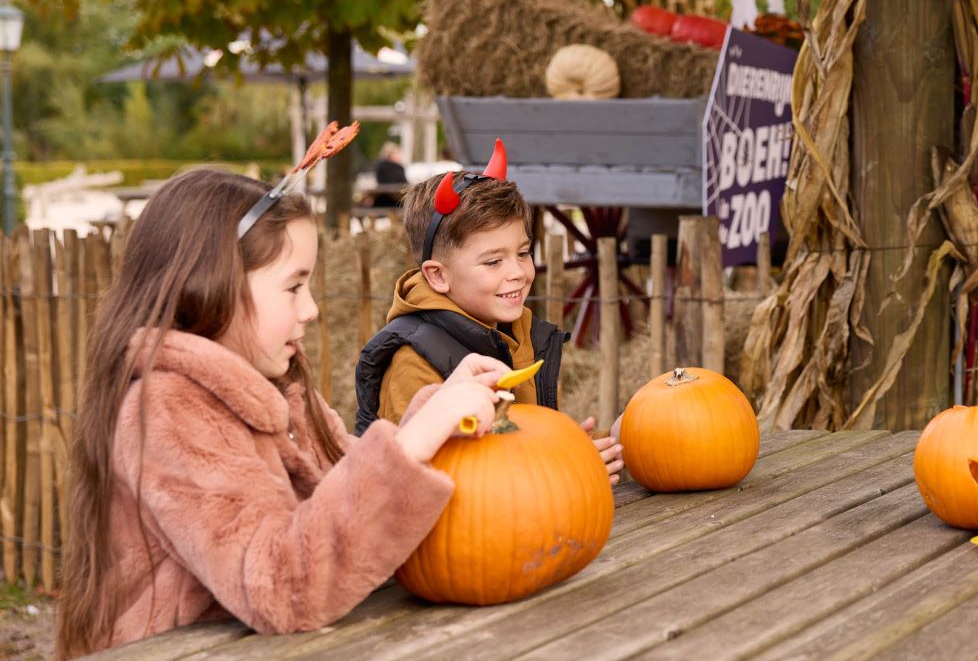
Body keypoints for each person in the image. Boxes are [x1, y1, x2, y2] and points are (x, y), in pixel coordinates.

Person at [54, 155, 514, 656]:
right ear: (212, 287)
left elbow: (347, 488)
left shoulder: (278, 389)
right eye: (294, 286)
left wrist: (438, 409)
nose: (312, 308)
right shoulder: (169, 409)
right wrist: (414, 441)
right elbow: (281, 586)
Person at [354, 140, 624, 483]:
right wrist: (562, 470)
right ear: (438, 275)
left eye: (523, 253)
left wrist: (598, 442)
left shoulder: (516, 332)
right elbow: (433, 483)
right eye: (493, 261)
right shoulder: (413, 363)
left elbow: (520, 443)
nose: (517, 272)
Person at [371, 141, 409, 207]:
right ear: (391, 155)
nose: (400, 156)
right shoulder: (398, 169)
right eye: (398, 153)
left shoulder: (379, 167)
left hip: (380, 202)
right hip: (397, 203)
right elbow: (405, 185)